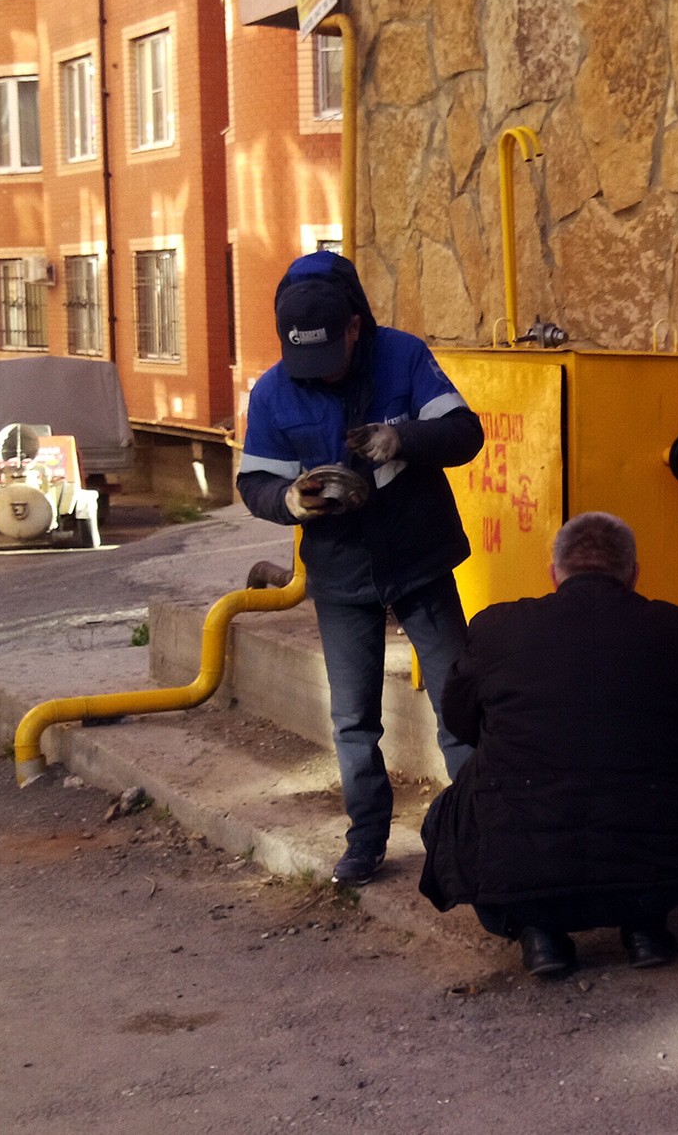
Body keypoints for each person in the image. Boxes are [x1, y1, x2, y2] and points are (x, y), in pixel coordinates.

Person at [236, 251, 484, 887]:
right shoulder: (274, 390)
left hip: (420, 557)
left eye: (332, 354)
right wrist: (290, 501)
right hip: (340, 571)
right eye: (305, 361)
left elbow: (465, 434)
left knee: (457, 702)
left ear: (354, 326)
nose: (320, 373)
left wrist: (403, 438)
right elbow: (255, 480)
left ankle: (483, 836)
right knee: (353, 720)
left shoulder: (403, 357)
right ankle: (367, 839)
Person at [419, 513, 678, 978]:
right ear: (633, 574)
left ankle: (539, 935)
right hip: (660, 871)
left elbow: (460, 722)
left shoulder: (497, 629)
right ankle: (646, 927)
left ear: (554, 574)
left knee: (466, 789)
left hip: (522, 872)